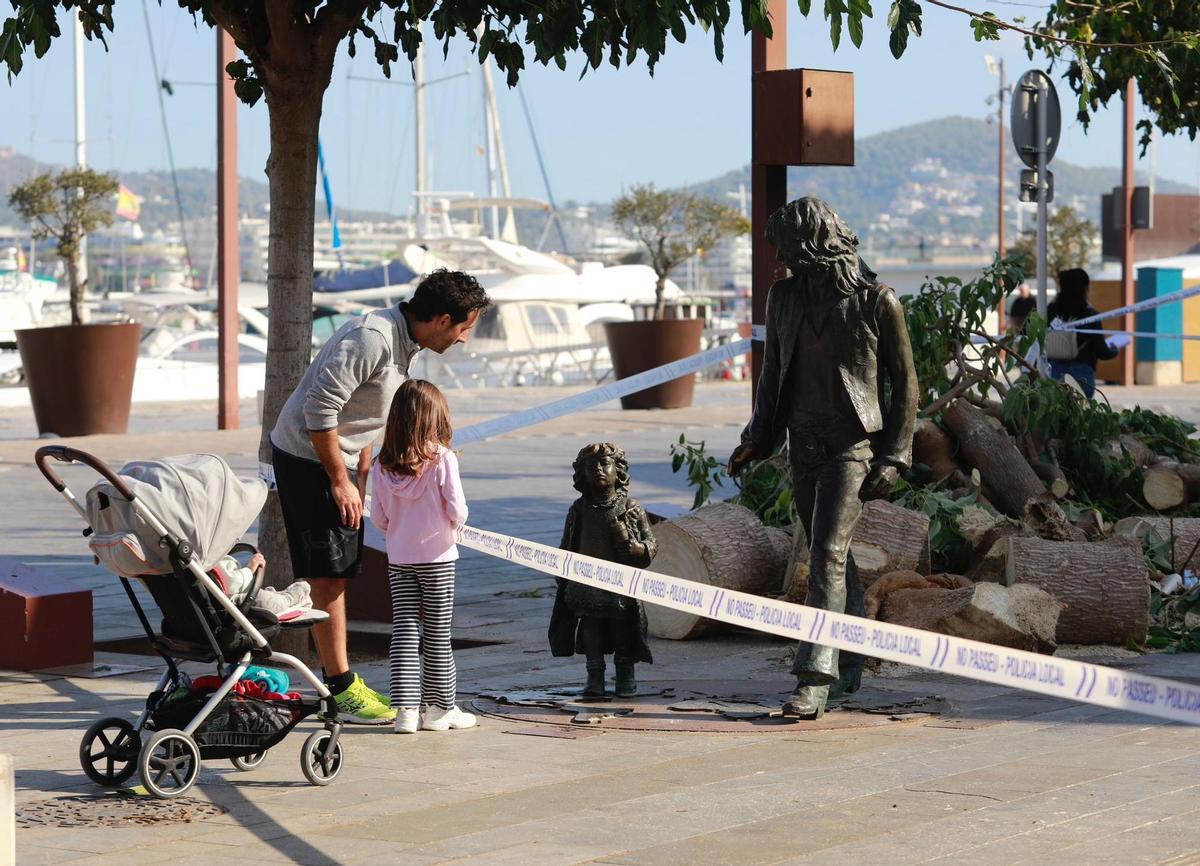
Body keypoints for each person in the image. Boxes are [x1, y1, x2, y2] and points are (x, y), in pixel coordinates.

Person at [270, 269, 490, 724]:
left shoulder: (404, 342)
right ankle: (341, 690)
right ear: (442, 319)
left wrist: (364, 469)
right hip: (309, 458)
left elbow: (365, 407)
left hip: (341, 459)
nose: (464, 339)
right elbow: (320, 408)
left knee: (341, 572)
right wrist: (339, 479)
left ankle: (343, 682)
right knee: (327, 576)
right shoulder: (372, 338)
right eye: (464, 328)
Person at [727, 197, 918, 720]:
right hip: (800, 441)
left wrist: (895, 457)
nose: (780, 259)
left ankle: (814, 677)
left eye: (786, 248)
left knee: (827, 556)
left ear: (812, 244)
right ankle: (850, 664)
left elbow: (905, 384)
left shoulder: (877, 300)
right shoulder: (783, 298)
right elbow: (772, 375)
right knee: (832, 553)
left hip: (849, 446)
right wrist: (758, 436)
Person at [369, 380, 475, 734]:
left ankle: (405, 712)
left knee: (404, 630)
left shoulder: (381, 465)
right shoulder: (442, 459)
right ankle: (440, 708)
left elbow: (380, 519)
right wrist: (450, 523)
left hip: (399, 558)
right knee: (437, 634)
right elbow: (457, 510)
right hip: (439, 557)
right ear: (434, 419)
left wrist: (401, 531)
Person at [548, 443, 656, 697]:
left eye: (605, 464)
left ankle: (625, 676)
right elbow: (567, 545)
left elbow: (652, 543)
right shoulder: (578, 510)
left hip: (619, 589)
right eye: (591, 466)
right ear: (581, 474)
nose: (598, 470)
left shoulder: (630, 508)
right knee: (591, 635)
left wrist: (639, 549)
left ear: (618, 471)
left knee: (623, 634)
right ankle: (594, 678)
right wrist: (561, 571)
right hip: (585, 588)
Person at [1045, 267, 1118, 399]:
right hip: (1082, 376)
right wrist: (1114, 349)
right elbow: (1102, 351)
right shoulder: (1090, 316)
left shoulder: (1049, 312)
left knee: (1054, 413)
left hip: (1054, 373)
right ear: (1085, 288)